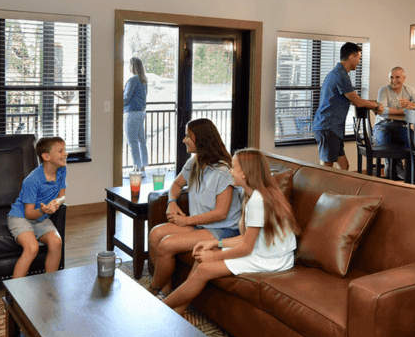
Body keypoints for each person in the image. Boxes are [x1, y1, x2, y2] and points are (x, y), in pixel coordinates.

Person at [162, 148, 299, 315]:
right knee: (203, 255)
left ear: (245, 174)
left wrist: (214, 256)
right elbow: (246, 238)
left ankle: (161, 309)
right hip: (262, 249)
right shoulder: (251, 194)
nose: (230, 171)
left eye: (233, 167)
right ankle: (177, 312)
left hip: (271, 259)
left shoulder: (257, 200)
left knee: (205, 267)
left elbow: (247, 247)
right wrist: (216, 243)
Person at [147, 118, 243, 295]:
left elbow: (221, 214)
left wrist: (186, 221)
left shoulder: (223, 172)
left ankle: (152, 289)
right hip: (201, 225)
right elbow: (176, 185)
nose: (184, 140)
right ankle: (166, 292)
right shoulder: (195, 162)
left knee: (167, 244)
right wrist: (172, 202)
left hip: (222, 229)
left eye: (187, 137)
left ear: (201, 139)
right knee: (155, 234)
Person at [312, 42, 384, 170]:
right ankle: (323, 190)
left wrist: (373, 103)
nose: (359, 61)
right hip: (328, 127)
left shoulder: (339, 73)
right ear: (352, 57)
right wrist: (375, 105)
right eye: (359, 58)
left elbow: (352, 99)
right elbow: (357, 101)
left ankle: (340, 190)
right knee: (326, 169)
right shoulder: (340, 75)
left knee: (344, 167)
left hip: (332, 128)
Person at [8, 136, 67, 278]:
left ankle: (49, 284)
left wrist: (56, 203)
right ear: (46, 156)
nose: (65, 154)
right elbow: (28, 214)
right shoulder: (32, 181)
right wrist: (42, 210)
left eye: (65, 150)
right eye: (60, 151)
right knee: (32, 248)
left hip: (41, 218)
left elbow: (62, 196)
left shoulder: (62, 169)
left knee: (56, 242)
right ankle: (13, 294)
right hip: (21, 218)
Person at [373, 67, 415, 179]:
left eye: (397, 77)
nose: (394, 80)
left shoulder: (409, 90)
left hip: (400, 126)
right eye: (391, 77)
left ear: (404, 78)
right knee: (385, 138)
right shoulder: (383, 90)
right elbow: (382, 111)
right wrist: (404, 111)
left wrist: (411, 104)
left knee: (414, 139)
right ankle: (394, 165)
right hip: (382, 126)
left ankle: (412, 172)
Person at [124, 57, 150, 171]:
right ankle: (142, 167)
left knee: (132, 141)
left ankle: (136, 169)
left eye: (130, 65)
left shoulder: (132, 80)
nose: (129, 67)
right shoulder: (144, 80)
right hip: (141, 112)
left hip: (133, 113)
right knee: (141, 140)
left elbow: (126, 98)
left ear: (133, 66)